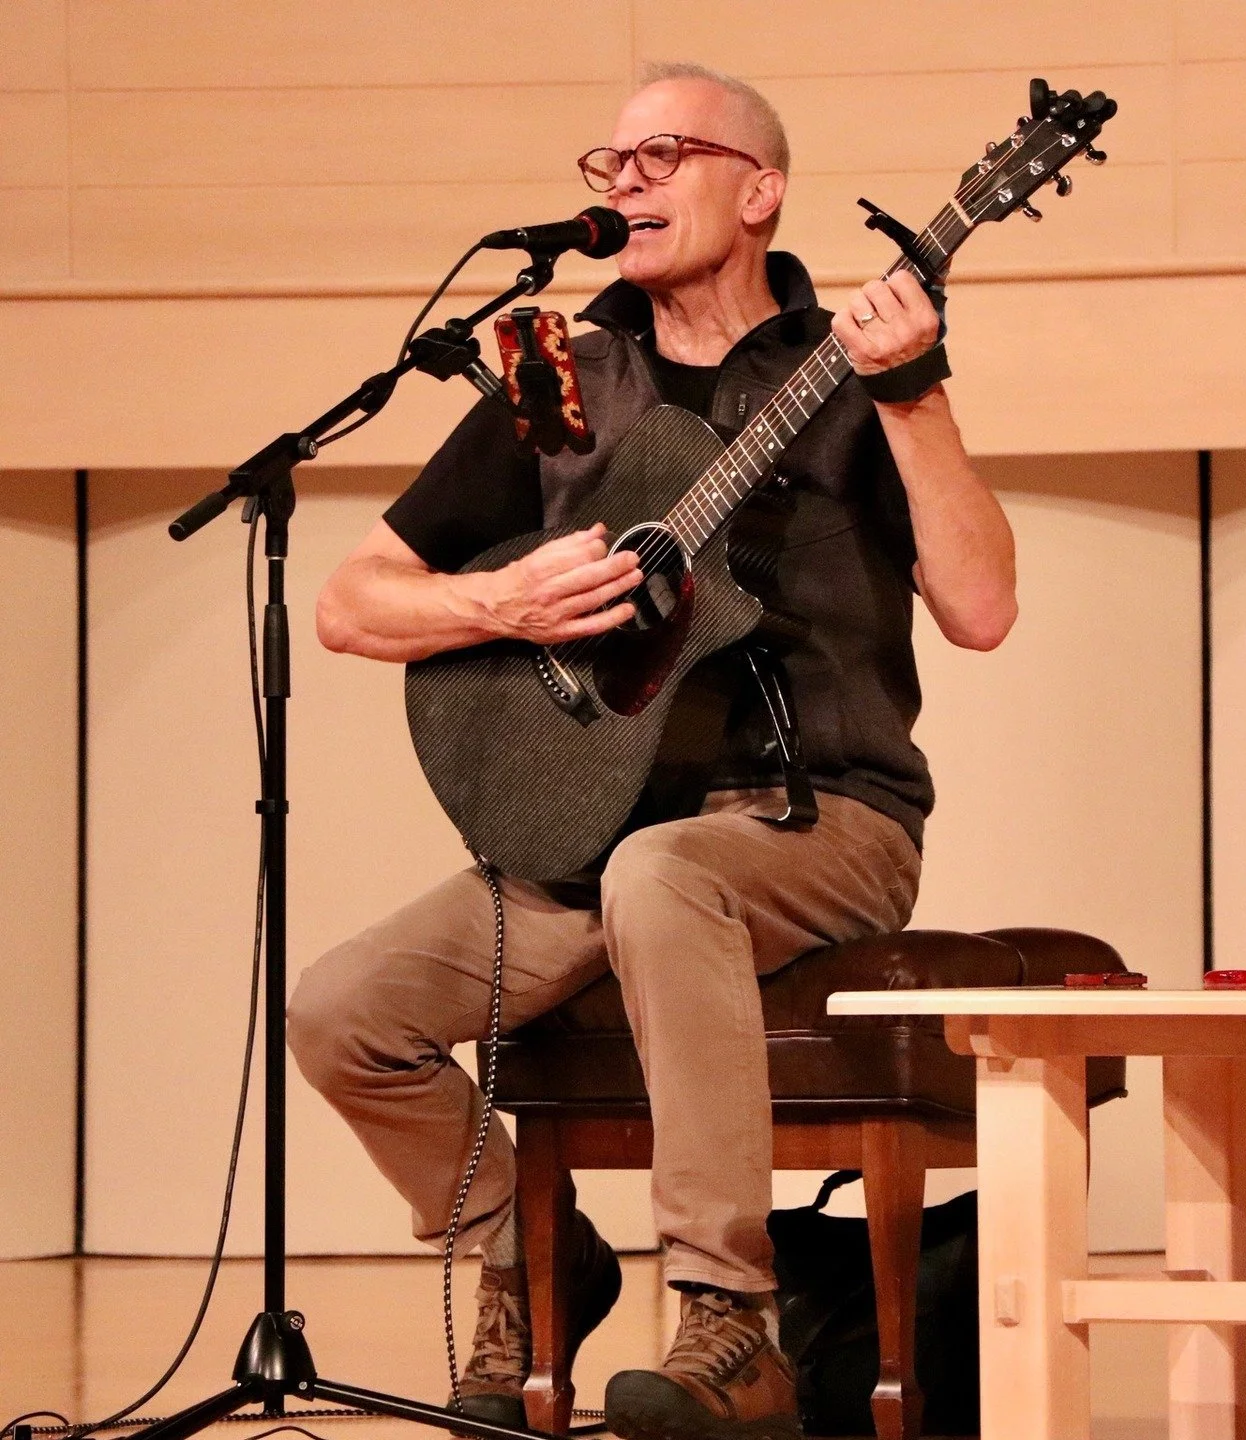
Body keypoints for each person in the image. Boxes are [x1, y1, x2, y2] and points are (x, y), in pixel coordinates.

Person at [287, 60, 1016, 1440]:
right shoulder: (564, 377)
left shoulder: (852, 375)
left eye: (662, 155)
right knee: (341, 1013)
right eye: (609, 163)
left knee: (667, 877)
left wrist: (915, 396)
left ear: (761, 191)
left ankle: (729, 1322)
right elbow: (349, 601)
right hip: (590, 834)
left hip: (821, 821)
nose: (625, 181)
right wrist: (498, 602)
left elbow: (980, 608)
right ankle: (527, 1250)